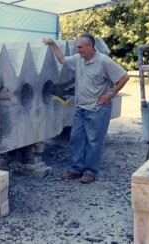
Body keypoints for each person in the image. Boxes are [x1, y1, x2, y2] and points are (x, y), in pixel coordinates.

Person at [43, 34, 130, 184]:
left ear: (90, 46)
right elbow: (62, 60)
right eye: (77, 47)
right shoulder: (79, 59)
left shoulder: (104, 61)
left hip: (98, 108)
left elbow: (125, 77)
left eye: (80, 47)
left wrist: (111, 94)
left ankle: (90, 171)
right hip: (81, 108)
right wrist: (53, 44)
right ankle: (76, 169)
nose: (78, 50)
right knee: (76, 139)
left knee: (94, 141)